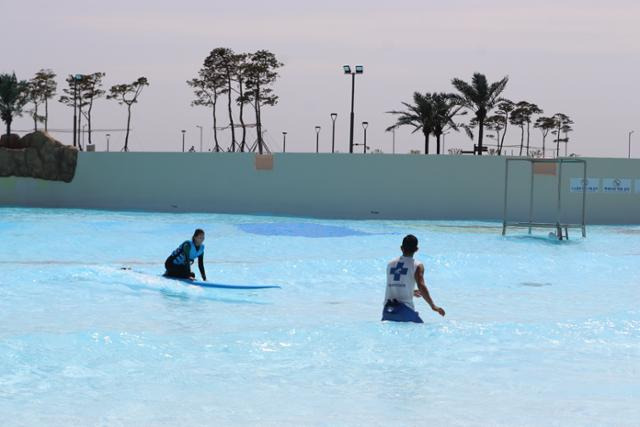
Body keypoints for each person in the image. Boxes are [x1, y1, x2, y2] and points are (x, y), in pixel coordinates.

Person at [382, 234, 445, 323]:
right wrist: (433, 306)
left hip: (387, 311)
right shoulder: (417, 265)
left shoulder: (390, 264)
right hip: (404, 311)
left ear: (401, 248)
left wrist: (410, 292)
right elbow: (421, 286)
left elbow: (395, 285)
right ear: (416, 249)